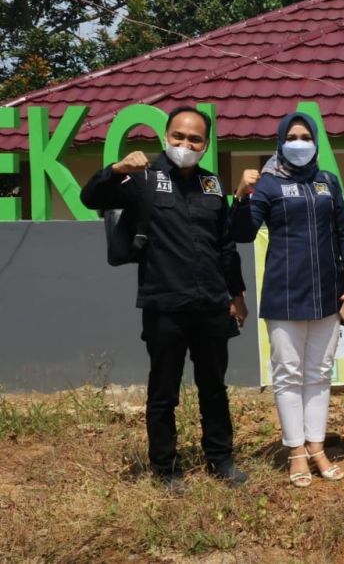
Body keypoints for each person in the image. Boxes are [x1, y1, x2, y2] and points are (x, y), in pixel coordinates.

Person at [80, 106, 248, 492]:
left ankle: (220, 459)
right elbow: (91, 197)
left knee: (214, 388)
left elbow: (225, 246)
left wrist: (236, 295)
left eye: (194, 139)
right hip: (164, 306)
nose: (185, 144)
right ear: (165, 137)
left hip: (210, 305)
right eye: (178, 136)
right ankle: (166, 468)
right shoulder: (143, 179)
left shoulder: (211, 185)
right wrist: (117, 169)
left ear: (205, 145)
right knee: (163, 390)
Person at [229, 112, 344, 487]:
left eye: (306, 136)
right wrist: (241, 196)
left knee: (320, 373)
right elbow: (241, 232)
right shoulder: (268, 184)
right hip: (284, 294)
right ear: (280, 141)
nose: (300, 143)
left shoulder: (328, 182)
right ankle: (295, 451)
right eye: (293, 136)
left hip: (327, 292)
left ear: (316, 142)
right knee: (288, 374)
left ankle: (317, 447)